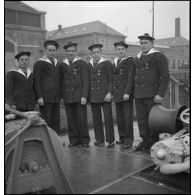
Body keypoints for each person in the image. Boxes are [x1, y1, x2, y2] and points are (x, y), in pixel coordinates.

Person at [133, 33, 170, 152]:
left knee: (153, 120)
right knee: (142, 119)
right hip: (139, 94)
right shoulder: (137, 57)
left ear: (152, 44)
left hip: (152, 95)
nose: (143, 45)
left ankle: (153, 143)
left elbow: (165, 76)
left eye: (146, 43)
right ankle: (145, 141)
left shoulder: (158, 56)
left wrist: (160, 94)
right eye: (141, 43)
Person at [60, 42, 90, 147]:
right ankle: (73, 140)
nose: (71, 53)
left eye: (73, 51)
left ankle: (84, 140)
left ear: (76, 52)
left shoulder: (81, 63)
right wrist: (62, 97)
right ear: (65, 52)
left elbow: (85, 81)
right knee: (71, 119)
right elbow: (61, 82)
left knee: (81, 119)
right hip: (68, 96)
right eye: (69, 51)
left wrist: (84, 96)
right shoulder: (62, 64)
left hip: (79, 96)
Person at [88, 43, 115, 147]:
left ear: (101, 53)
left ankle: (110, 140)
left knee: (108, 118)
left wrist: (109, 92)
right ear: (91, 54)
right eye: (94, 53)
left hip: (105, 96)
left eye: (98, 52)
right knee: (96, 118)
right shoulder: (88, 64)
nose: (96, 54)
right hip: (94, 96)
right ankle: (99, 138)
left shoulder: (106, 63)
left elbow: (110, 79)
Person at [33, 40, 61, 135]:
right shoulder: (39, 63)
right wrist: (39, 96)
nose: (52, 52)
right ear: (46, 50)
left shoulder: (58, 63)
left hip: (56, 97)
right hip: (45, 98)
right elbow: (36, 81)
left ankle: (56, 138)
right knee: (46, 120)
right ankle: (46, 140)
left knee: (56, 120)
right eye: (50, 50)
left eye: (54, 50)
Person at [112, 41, 135, 149]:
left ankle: (129, 140)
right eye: (118, 49)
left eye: (122, 49)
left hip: (125, 94)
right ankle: (122, 137)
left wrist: (127, 92)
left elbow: (130, 78)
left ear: (125, 50)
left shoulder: (129, 61)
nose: (120, 51)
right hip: (117, 94)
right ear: (115, 50)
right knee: (120, 118)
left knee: (127, 117)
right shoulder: (115, 61)